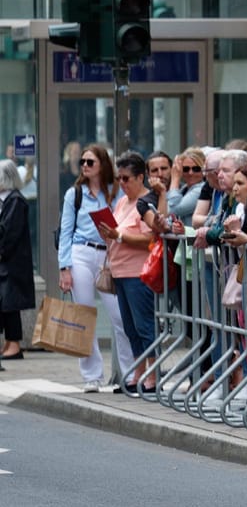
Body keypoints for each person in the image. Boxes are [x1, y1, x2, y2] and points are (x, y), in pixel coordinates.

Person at [55, 142, 118, 391]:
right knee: (84, 315)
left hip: (109, 255)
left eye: (90, 162)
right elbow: (66, 232)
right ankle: (92, 375)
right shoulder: (75, 193)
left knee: (119, 315)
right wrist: (64, 267)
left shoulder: (115, 191)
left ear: (102, 164)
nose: (84, 166)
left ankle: (129, 373)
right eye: (82, 161)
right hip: (81, 252)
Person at [103, 153, 160, 386]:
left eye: (127, 179)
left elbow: (150, 238)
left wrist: (119, 235)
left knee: (144, 324)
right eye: (119, 179)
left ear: (140, 177)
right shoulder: (121, 201)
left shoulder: (147, 201)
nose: (123, 184)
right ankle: (139, 372)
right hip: (120, 271)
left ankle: (153, 376)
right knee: (130, 327)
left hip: (139, 272)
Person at [0, 160, 29, 364]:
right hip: (7, 261)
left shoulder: (15, 201)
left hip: (11, 262)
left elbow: (9, 232)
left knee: (10, 305)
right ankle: (10, 343)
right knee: (7, 305)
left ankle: (14, 344)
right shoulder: (7, 200)